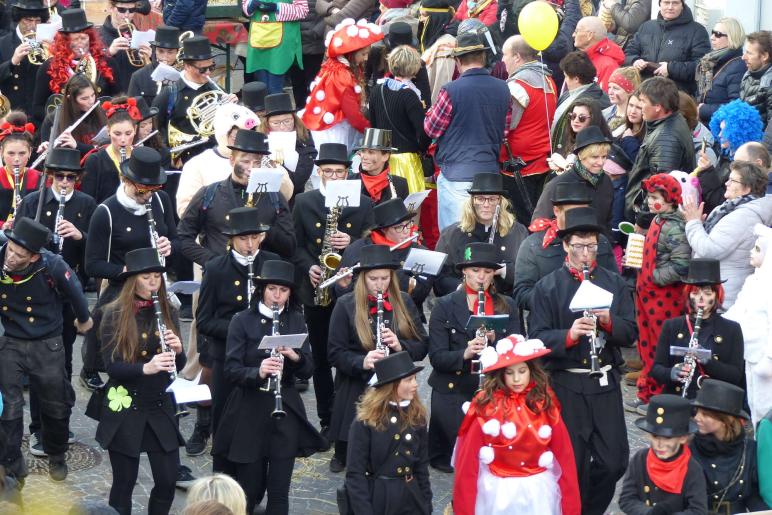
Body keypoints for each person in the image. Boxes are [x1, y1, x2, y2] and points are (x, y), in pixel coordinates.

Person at [528, 206, 637, 515]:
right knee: (571, 463)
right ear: (565, 245)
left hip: (604, 380)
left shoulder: (614, 283)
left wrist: (609, 321)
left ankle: (588, 509)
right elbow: (535, 338)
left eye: (592, 246)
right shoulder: (548, 287)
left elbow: (631, 333)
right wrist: (570, 335)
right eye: (579, 246)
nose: (586, 253)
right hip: (567, 383)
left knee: (614, 461)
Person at [212, 260, 325, 513]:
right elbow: (231, 369)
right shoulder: (241, 320)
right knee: (249, 489)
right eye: (272, 288)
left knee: (278, 493)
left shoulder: (296, 319)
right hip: (248, 411)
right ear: (262, 289)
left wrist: (294, 357)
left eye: (283, 290)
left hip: (284, 409)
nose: (277, 295)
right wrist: (259, 371)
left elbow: (309, 368)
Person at [16, 148, 96, 457]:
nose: (64, 183)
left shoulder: (87, 205)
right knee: (39, 364)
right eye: (59, 177)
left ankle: (58, 421)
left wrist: (81, 236)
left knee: (62, 364)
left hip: (68, 295)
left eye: (70, 178)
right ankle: (38, 428)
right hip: (36, 294)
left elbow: (97, 254)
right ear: (50, 177)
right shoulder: (32, 203)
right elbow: (15, 250)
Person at [291, 143, 374, 440]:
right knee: (322, 356)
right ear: (319, 172)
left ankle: (349, 417)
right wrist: (308, 267)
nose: (334, 177)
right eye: (328, 172)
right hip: (316, 289)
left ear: (347, 172)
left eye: (339, 171)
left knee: (348, 353)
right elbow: (295, 245)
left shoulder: (363, 203)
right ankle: (327, 418)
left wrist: (350, 241)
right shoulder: (304, 201)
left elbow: (371, 244)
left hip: (350, 292)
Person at [93, 247, 185, 515]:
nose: (153, 282)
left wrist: (178, 352)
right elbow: (112, 367)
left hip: (159, 403)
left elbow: (176, 366)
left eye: (157, 276)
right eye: (146, 277)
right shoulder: (113, 313)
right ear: (133, 280)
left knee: (168, 481)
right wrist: (146, 368)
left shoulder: (168, 311)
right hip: (126, 404)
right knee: (124, 483)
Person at [0, 217, 91, 483]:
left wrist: (83, 319)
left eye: (20, 254)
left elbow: (75, 291)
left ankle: (57, 454)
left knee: (56, 405)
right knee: (10, 408)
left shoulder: (52, 265)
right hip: (10, 341)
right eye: (11, 250)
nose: (12, 257)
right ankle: (11, 463)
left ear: (33, 257)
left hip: (46, 342)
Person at [451, 335, 581, 515]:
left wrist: (571, 508)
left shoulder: (543, 403)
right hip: (498, 493)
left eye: (522, 371)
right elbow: (467, 461)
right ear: (501, 374)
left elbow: (564, 453)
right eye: (510, 373)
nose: (517, 379)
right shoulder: (488, 406)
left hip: (538, 492)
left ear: (531, 371)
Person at [327, 244, 427, 473]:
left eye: (384, 278)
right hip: (356, 385)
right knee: (352, 448)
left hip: (395, 384)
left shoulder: (403, 301)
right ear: (362, 278)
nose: (380, 285)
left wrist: (400, 345)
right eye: (373, 279)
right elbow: (334, 353)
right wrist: (362, 361)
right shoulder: (346, 305)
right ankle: (343, 451)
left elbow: (422, 346)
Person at [82, 147, 177, 390]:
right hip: (122, 286)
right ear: (126, 180)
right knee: (111, 335)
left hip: (156, 284)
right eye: (141, 190)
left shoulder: (161, 201)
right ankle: (95, 369)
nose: (147, 195)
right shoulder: (106, 212)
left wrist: (168, 246)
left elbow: (176, 239)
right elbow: (92, 264)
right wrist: (128, 270)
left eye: (153, 189)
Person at [193, 208, 279, 461]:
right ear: (232, 239)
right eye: (243, 238)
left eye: (254, 237)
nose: (249, 244)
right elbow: (205, 321)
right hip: (228, 358)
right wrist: (239, 329)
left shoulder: (272, 264)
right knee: (226, 418)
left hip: (263, 356)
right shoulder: (217, 268)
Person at [428, 242, 520, 473]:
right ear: (464, 271)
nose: (481, 277)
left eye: (487, 272)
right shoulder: (444, 306)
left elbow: (520, 349)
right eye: (476, 271)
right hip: (454, 386)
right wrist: (466, 353)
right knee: (459, 454)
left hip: (494, 385)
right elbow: (437, 358)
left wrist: (496, 339)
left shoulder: (507, 305)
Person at [424, 30, 509, 230]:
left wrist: (429, 113)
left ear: (458, 61)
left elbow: (431, 129)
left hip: (456, 176)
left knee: (455, 236)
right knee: (485, 235)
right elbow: (504, 132)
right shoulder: (503, 88)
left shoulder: (451, 90)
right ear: (483, 57)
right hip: (489, 174)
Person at [177, 129, 296, 263]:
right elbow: (183, 238)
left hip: (261, 277)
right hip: (221, 279)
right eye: (245, 161)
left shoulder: (274, 197)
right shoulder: (208, 194)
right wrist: (214, 262)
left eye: (257, 162)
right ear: (232, 160)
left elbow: (290, 247)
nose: (251, 168)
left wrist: (265, 229)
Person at [627, 173, 690, 414]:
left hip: (663, 298)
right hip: (646, 294)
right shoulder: (657, 220)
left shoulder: (674, 226)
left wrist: (653, 277)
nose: (651, 201)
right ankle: (647, 391)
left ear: (670, 199)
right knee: (647, 345)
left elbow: (681, 265)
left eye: (655, 197)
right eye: (650, 196)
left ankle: (659, 395)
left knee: (660, 347)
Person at [343, 351, 432, 514]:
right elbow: (355, 475)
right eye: (408, 380)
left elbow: (421, 467)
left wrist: (426, 504)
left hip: (410, 496)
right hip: (380, 498)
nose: (415, 385)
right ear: (391, 386)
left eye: (414, 379)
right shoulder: (365, 422)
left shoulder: (417, 418)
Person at [514, 184, 618, 313]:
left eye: (582, 210)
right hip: (553, 323)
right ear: (557, 211)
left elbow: (615, 283)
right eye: (572, 212)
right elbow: (522, 294)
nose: (578, 217)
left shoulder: (600, 241)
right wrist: (558, 298)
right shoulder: (533, 245)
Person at [682, 161, 772, 309]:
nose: (726, 183)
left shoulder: (743, 216)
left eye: (733, 180)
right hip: (719, 290)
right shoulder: (732, 209)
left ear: (747, 188)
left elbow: (709, 251)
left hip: (724, 297)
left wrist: (693, 224)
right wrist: (701, 227)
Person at [650, 259, 745, 398]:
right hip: (678, 402)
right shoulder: (672, 326)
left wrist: (709, 362)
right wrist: (671, 373)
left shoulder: (732, 329)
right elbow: (656, 369)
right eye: (695, 293)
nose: (701, 299)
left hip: (712, 403)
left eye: (707, 293)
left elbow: (736, 376)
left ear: (717, 295)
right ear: (688, 294)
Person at [434, 174, 528, 298]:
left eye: (492, 199)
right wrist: (462, 289)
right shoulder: (452, 234)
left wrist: (503, 270)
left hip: (504, 302)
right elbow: (439, 277)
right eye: (480, 198)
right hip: (463, 303)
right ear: (472, 201)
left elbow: (527, 274)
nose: (486, 204)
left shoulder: (517, 232)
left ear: (500, 201)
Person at [334, 198, 434, 312]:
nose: (407, 231)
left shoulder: (420, 252)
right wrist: (343, 286)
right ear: (384, 230)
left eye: (408, 224)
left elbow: (421, 294)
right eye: (399, 227)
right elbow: (341, 297)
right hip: (363, 313)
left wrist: (395, 275)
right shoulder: (358, 248)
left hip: (404, 313)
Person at [153, 36, 238, 165]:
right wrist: (168, 156)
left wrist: (233, 110)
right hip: (185, 159)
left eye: (211, 67)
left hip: (213, 157)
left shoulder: (216, 90)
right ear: (187, 66)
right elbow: (156, 129)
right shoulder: (170, 93)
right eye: (202, 69)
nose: (208, 73)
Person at [301, 18, 382, 153]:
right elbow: (354, 116)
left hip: (327, 126)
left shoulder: (335, 65)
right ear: (350, 53)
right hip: (333, 131)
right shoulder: (342, 77)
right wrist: (372, 131)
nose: (366, 58)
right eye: (363, 54)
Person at [500, 35, 557, 225]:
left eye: (505, 55)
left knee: (517, 224)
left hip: (517, 168)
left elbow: (506, 127)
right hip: (540, 163)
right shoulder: (549, 80)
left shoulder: (517, 86)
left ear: (517, 57)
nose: (502, 60)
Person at [618, 394, 707, 514]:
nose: (660, 444)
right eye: (655, 437)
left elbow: (698, 511)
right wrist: (648, 513)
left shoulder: (692, 469)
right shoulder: (640, 459)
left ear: (682, 438)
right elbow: (626, 499)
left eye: (667, 438)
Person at [690, 379, 769, 512]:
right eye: (697, 411)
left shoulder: (748, 449)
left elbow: (752, 495)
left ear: (725, 420)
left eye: (705, 414)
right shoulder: (690, 448)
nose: (697, 417)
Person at [625, 77, 695, 222]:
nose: (640, 106)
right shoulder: (668, 122)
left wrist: (643, 221)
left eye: (643, 101)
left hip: (654, 221)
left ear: (658, 106)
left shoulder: (666, 138)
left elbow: (661, 187)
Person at [31, 8, 117, 126]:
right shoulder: (48, 67)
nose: (80, 43)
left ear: (90, 39)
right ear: (65, 41)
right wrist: (64, 119)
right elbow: (37, 108)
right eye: (75, 39)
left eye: (84, 38)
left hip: (99, 125)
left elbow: (118, 97)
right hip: (64, 128)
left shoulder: (107, 62)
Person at [725, 224, 772, 429]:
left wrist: (769, 359)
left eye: (758, 249)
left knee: (765, 408)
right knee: (754, 405)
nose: (752, 252)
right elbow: (738, 311)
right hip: (750, 354)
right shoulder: (753, 281)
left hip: (764, 358)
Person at [368, 44, 431, 196]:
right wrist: (421, 149)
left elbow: (374, 125)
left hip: (382, 160)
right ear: (414, 67)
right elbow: (423, 132)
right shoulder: (409, 95)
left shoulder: (377, 90)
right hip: (407, 160)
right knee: (411, 209)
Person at [176, 104, 260, 217]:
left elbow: (285, 196)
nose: (243, 143)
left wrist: (273, 167)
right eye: (236, 138)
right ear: (224, 135)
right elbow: (185, 209)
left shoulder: (261, 160)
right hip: (215, 231)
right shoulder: (197, 164)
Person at [534, 126, 614, 237]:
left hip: (596, 249)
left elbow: (607, 223)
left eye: (604, 156)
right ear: (581, 155)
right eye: (595, 157)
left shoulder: (606, 182)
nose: (600, 162)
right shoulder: (557, 185)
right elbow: (539, 225)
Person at [625, 0, 710, 94]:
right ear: (660, 4)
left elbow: (702, 66)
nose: (670, 7)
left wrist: (671, 69)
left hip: (675, 96)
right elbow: (629, 52)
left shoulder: (697, 31)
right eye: (666, 2)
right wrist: (635, 61)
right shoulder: (646, 26)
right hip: (643, 92)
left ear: (682, 5)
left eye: (675, 3)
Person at [80, 95, 143, 205]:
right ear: (108, 130)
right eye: (117, 134)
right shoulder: (95, 160)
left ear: (135, 130)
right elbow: (88, 203)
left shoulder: (142, 158)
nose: (123, 140)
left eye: (128, 133)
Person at [257, 92, 317, 205]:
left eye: (287, 121)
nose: (283, 127)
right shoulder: (259, 139)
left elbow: (301, 175)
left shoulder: (303, 137)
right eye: (276, 123)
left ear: (294, 119)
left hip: (296, 197)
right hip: (267, 198)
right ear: (267, 123)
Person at [242, 0, 308, 95]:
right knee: (262, 89)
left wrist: (276, 7)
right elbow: (245, 6)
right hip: (258, 38)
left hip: (282, 41)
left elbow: (302, 10)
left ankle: (277, 107)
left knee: (274, 90)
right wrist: (250, 6)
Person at [551, 51, 610, 155]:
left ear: (576, 79)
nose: (565, 80)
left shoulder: (596, 100)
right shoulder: (568, 94)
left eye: (566, 76)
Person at [0, 0, 50, 117]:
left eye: (37, 20)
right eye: (28, 20)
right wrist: (12, 62)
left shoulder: (47, 43)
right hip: (12, 113)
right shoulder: (3, 43)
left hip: (38, 115)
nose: (33, 25)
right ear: (19, 19)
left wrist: (53, 54)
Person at [39, 74, 108, 158]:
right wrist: (45, 150)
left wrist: (77, 146)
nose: (91, 101)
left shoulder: (103, 114)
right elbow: (48, 163)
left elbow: (106, 150)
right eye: (84, 98)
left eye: (93, 95)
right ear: (71, 99)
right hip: (66, 169)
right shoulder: (52, 119)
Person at [696, 17, 747, 125]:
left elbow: (736, 106)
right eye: (712, 33)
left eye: (718, 34)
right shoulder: (711, 60)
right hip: (706, 125)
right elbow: (702, 94)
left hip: (721, 129)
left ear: (732, 37)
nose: (712, 37)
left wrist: (704, 110)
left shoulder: (738, 65)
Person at [97, 0, 153, 93]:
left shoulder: (139, 35)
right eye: (121, 10)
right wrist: (108, 53)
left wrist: (151, 57)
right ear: (111, 8)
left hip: (136, 94)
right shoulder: (98, 36)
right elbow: (92, 72)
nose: (127, 15)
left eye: (131, 10)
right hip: (111, 96)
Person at [0, 111, 40, 227]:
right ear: (1, 152)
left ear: (30, 152)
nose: (17, 159)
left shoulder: (41, 178)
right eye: (11, 153)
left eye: (22, 153)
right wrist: (3, 225)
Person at [128, 25, 182, 107]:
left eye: (170, 52)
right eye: (161, 51)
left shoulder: (184, 75)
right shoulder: (138, 76)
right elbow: (132, 109)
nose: (165, 56)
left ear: (177, 52)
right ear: (155, 51)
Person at [354, 128, 408, 205]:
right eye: (363, 151)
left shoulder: (400, 184)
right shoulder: (350, 182)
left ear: (385, 156)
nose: (364, 157)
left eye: (371, 152)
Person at [574, 16, 624, 92]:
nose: (573, 35)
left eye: (577, 31)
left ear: (589, 35)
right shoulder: (583, 58)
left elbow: (604, 100)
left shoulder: (608, 66)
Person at [740, 30, 772, 129]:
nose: (743, 57)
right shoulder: (748, 74)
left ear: (764, 56)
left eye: (749, 53)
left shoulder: (769, 83)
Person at [603, 67, 641, 134]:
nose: (610, 92)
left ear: (630, 91)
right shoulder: (604, 114)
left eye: (616, 88)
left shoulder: (634, 117)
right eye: (609, 87)